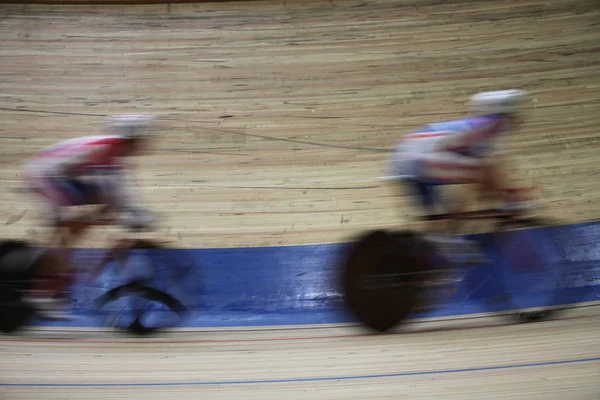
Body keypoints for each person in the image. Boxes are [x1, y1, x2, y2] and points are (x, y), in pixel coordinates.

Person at [20, 114, 156, 320]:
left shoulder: (115, 152)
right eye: (144, 139)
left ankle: (57, 276)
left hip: (58, 174)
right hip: (44, 175)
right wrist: (133, 215)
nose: (147, 143)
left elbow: (121, 188)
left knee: (98, 211)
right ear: (133, 138)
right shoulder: (109, 149)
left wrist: (137, 213)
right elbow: (116, 188)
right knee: (68, 226)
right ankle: (40, 293)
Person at [388, 89, 536, 246]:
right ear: (506, 111)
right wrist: (510, 194)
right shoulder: (496, 124)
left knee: (434, 217)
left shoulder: (480, 123)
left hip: (404, 161)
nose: (520, 117)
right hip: (419, 160)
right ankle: (451, 232)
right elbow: (491, 166)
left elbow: (495, 160)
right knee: (481, 171)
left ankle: (440, 236)